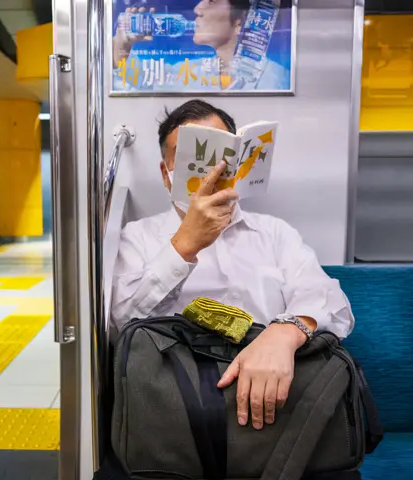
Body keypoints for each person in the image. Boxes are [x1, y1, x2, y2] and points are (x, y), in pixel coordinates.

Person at [111, 100, 354, 431]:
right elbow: (122, 326)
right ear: (166, 175)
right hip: (175, 408)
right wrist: (185, 245)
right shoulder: (137, 237)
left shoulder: (274, 233)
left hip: (277, 404)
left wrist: (284, 333)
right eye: (188, 161)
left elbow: (334, 304)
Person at [112, 0, 290, 92]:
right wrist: (122, 47)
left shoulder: (277, 80)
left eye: (211, 1)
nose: (198, 9)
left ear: (239, 20)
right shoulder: (194, 73)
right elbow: (140, 85)